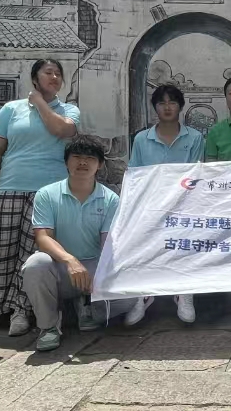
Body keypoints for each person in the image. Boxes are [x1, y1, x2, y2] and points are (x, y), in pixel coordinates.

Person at [0, 59, 80, 338]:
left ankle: (21, 309)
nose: (54, 77)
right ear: (35, 78)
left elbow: (61, 130)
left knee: (32, 254)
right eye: (48, 72)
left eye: (58, 74)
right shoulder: (10, 110)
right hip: (9, 187)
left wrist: (39, 103)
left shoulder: (69, 110)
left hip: (47, 191)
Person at [21, 138, 142, 351]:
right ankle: (48, 327)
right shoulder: (47, 194)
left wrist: (103, 275)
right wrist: (70, 260)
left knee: (132, 293)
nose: (83, 162)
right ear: (66, 161)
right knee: (35, 264)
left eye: (90, 158)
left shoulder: (110, 199)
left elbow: (108, 243)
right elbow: (43, 237)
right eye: (77, 157)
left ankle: (87, 306)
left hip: (93, 267)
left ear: (100, 164)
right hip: (61, 267)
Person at [127, 83, 205, 324]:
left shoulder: (194, 137)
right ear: (155, 107)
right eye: (162, 103)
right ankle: (144, 295)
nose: (167, 107)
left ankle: (184, 293)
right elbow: (135, 175)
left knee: (185, 246)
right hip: (151, 206)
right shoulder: (142, 139)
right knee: (145, 249)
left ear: (180, 106)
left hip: (185, 206)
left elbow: (196, 174)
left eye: (172, 102)